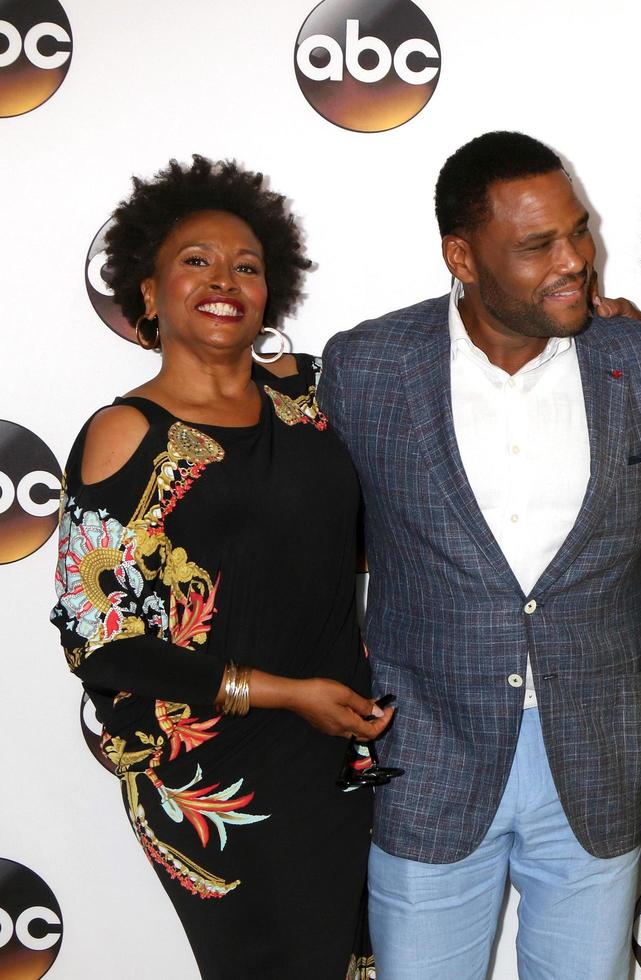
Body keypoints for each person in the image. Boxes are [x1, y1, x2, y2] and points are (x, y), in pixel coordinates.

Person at [317, 132, 641, 980]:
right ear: (462, 255)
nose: (576, 261)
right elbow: (326, 537)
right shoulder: (367, 366)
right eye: (538, 245)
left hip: (598, 752)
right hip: (430, 753)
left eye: (580, 231)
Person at [50, 156, 393, 979]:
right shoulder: (126, 433)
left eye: (248, 265)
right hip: (212, 772)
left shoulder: (309, 400)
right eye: (195, 261)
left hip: (338, 747)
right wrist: (281, 694)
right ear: (146, 292)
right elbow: (99, 642)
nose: (225, 280)